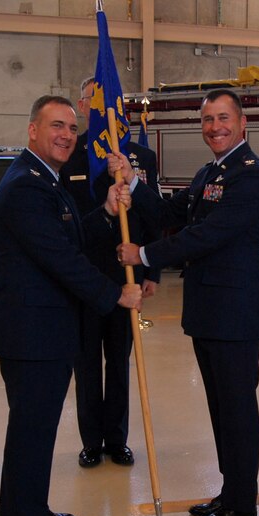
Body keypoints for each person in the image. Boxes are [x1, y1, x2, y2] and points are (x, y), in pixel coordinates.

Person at [0, 95, 142, 516]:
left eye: (71, 128)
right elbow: (61, 259)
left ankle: (28, 508)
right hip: (31, 333)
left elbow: (69, 235)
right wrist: (115, 295)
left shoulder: (44, 181)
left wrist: (108, 211)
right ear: (33, 130)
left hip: (44, 330)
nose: (66, 135)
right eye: (56, 126)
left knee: (36, 426)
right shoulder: (25, 186)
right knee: (32, 426)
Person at [114, 88, 259, 516]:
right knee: (221, 410)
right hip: (209, 312)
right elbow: (172, 210)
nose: (215, 127)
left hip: (236, 315)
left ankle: (242, 505)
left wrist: (143, 256)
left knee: (238, 411)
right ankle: (229, 492)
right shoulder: (211, 172)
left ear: (242, 124)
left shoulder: (251, 176)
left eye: (223, 118)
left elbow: (206, 235)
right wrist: (131, 181)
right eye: (207, 120)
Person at [61, 76, 161, 469]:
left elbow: (153, 216)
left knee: (119, 363)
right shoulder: (70, 155)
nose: (102, 109)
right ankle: (91, 440)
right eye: (94, 102)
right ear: (84, 107)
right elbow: (67, 223)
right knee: (86, 365)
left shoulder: (138, 157)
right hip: (84, 277)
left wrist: (155, 269)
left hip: (127, 276)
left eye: (110, 103)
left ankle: (117, 439)